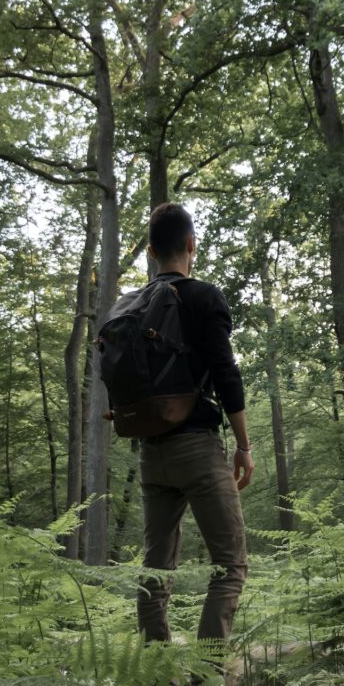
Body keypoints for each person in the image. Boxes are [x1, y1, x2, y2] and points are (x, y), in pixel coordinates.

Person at [136, 202, 255, 651]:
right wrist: (243, 446)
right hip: (197, 450)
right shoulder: (204, 296)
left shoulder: (133, 305)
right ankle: (206, 683)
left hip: (150, 451)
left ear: (151, 251)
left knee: (155, 569)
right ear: (191, 245)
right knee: (229, 565)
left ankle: (155, 675)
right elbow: (226, 375)